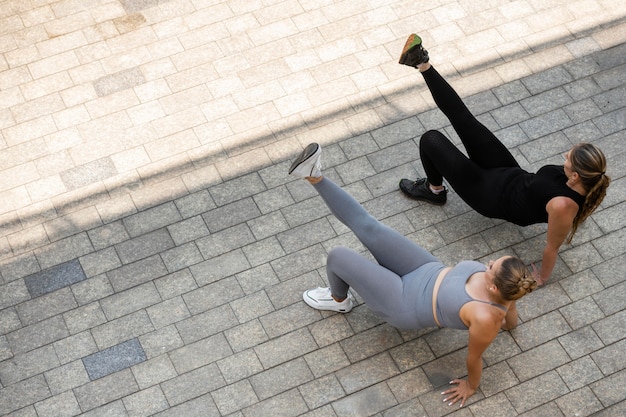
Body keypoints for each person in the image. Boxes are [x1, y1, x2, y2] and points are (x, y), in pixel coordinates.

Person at [288, 142, 537, 407]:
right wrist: (510, 322)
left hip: (405, 302)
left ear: (495, 290)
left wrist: (471, 386)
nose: (487, 263)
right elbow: (510, 308)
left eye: (490, 268)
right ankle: (315, 175)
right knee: (369, 226)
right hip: (423, 268)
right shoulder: (507, 289)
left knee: (339, 255)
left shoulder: (486, 317)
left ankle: (338, 300)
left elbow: (474, 358)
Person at [397, 34, 610, 285]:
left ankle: (435, 191)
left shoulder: (564, 206)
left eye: (569, 159)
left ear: (575, 175)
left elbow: (552, 248)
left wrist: (540, 277)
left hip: (490, 195)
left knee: (431, 139)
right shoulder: (583, 179)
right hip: (506, 170)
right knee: (463, 118)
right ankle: (421, 63)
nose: (564, 156)